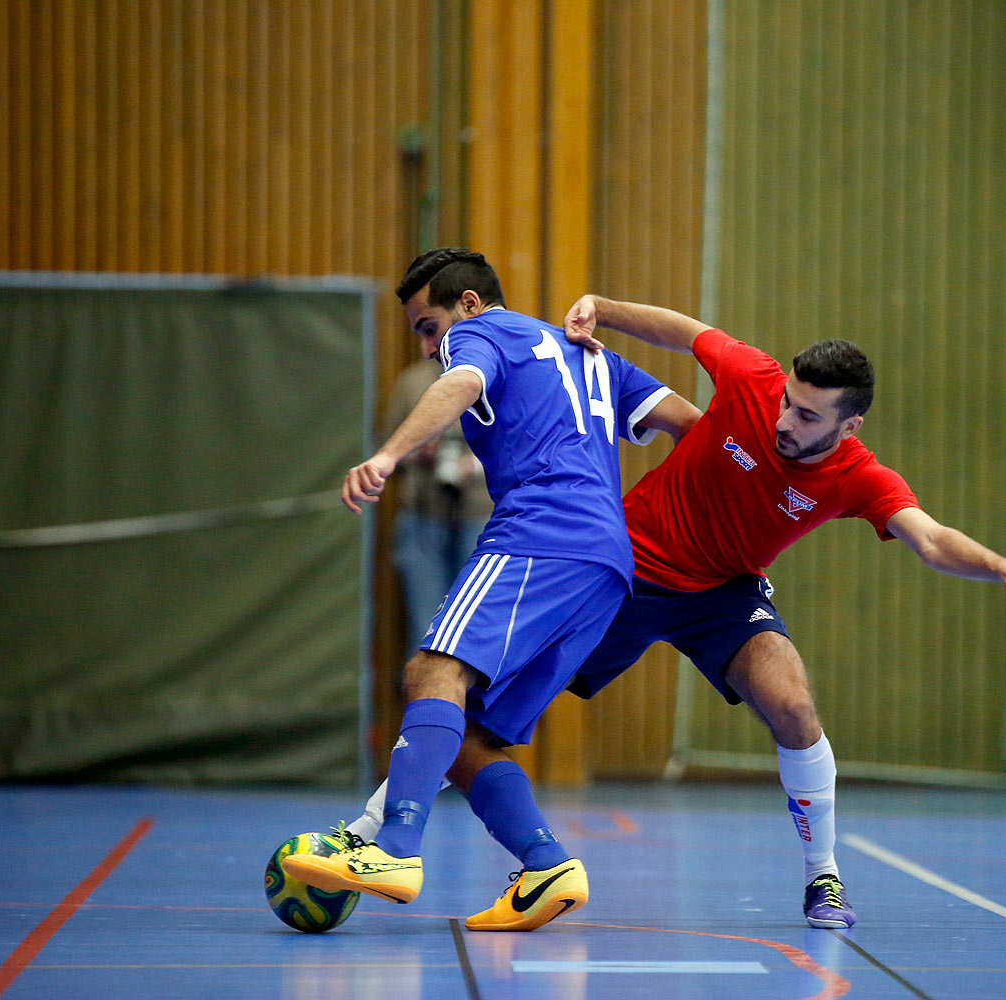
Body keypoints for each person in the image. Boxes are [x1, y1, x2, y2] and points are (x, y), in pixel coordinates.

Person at [341, 294, 1006, 931]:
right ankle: (368, 835)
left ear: (847, 427)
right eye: (788, 401)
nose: (785, 420)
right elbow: (679, 329)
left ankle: (823, 875)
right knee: (475, 716)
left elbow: (929, 540)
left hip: (725, 592)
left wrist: (1003, 568)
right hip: (623, 571)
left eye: (806, 416)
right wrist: (603, 307)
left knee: (794, 705)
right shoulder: (752, 379)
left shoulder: (858, 477)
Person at [282, 250, 700, 933]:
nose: (428, 344)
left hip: (541, 534)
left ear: (471, 303)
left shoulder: (485, 334)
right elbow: (695, 427)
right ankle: (546, 867)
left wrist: (387, 455)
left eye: (428, 325)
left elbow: (463, 380)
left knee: (431, 669)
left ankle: (393, 852)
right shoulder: (592, 357)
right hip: (607, 564)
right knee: (471, 738)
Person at [383, 355, 493, 645]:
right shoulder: (413, 382)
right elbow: (385, 451)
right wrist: (416, 450)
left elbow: (520, 449)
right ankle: (429, 690)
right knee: (425, 627)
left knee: (475, 627)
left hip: (482, 519)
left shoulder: (494, 378)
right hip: (422, 516)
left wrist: (473, 465)